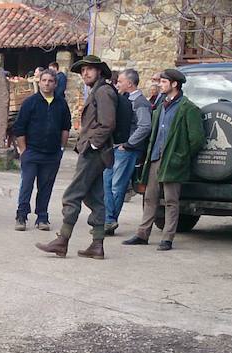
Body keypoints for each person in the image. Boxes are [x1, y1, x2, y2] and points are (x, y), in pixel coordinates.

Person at [35, 55, 118, 259]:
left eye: (89, 69)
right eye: (82, 71)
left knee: (72, 195)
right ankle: (97, 245)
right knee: (95, 198)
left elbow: (107, 123)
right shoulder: (98, 91)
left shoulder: (104, 91)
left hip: (94, 152)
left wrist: (92, 143)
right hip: (96, 152)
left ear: (99, 71)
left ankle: (62, 241)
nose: (85, 73)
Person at [124, 68, 205, 251]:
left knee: (171, 200)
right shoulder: (160, 106)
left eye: (163, 82)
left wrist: (181, 156)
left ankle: (167, 238)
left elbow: (197, 139)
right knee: (150, 197)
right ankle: (142, 234)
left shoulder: (188, 108)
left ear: (174, 84)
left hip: (173, 160)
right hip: (155, 158)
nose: (159, 85)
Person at [13, 68, 71, 231]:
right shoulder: (30, 102)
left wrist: (61, 148)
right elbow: (20, 127)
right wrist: (23, 150)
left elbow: (65, 127)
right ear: (39, 82)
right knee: (27, 185)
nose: (47, 84)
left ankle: (42, 217)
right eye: (44, 80)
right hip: (32, 151)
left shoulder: (61, 104)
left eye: (50, 81)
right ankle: (21, 216)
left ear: (55, 84)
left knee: (46, 186)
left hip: (52, 153)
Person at [103, 68, 152, 235]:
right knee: (106, 182)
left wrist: (129, 144)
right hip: (117, 148)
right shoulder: (124, 99)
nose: (118, 84)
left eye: (121, 81)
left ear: (129, 83)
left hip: (127, 150)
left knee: (117, 186)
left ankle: (109, 220)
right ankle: (108, 219)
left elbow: (145, 126)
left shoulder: (140, 103)